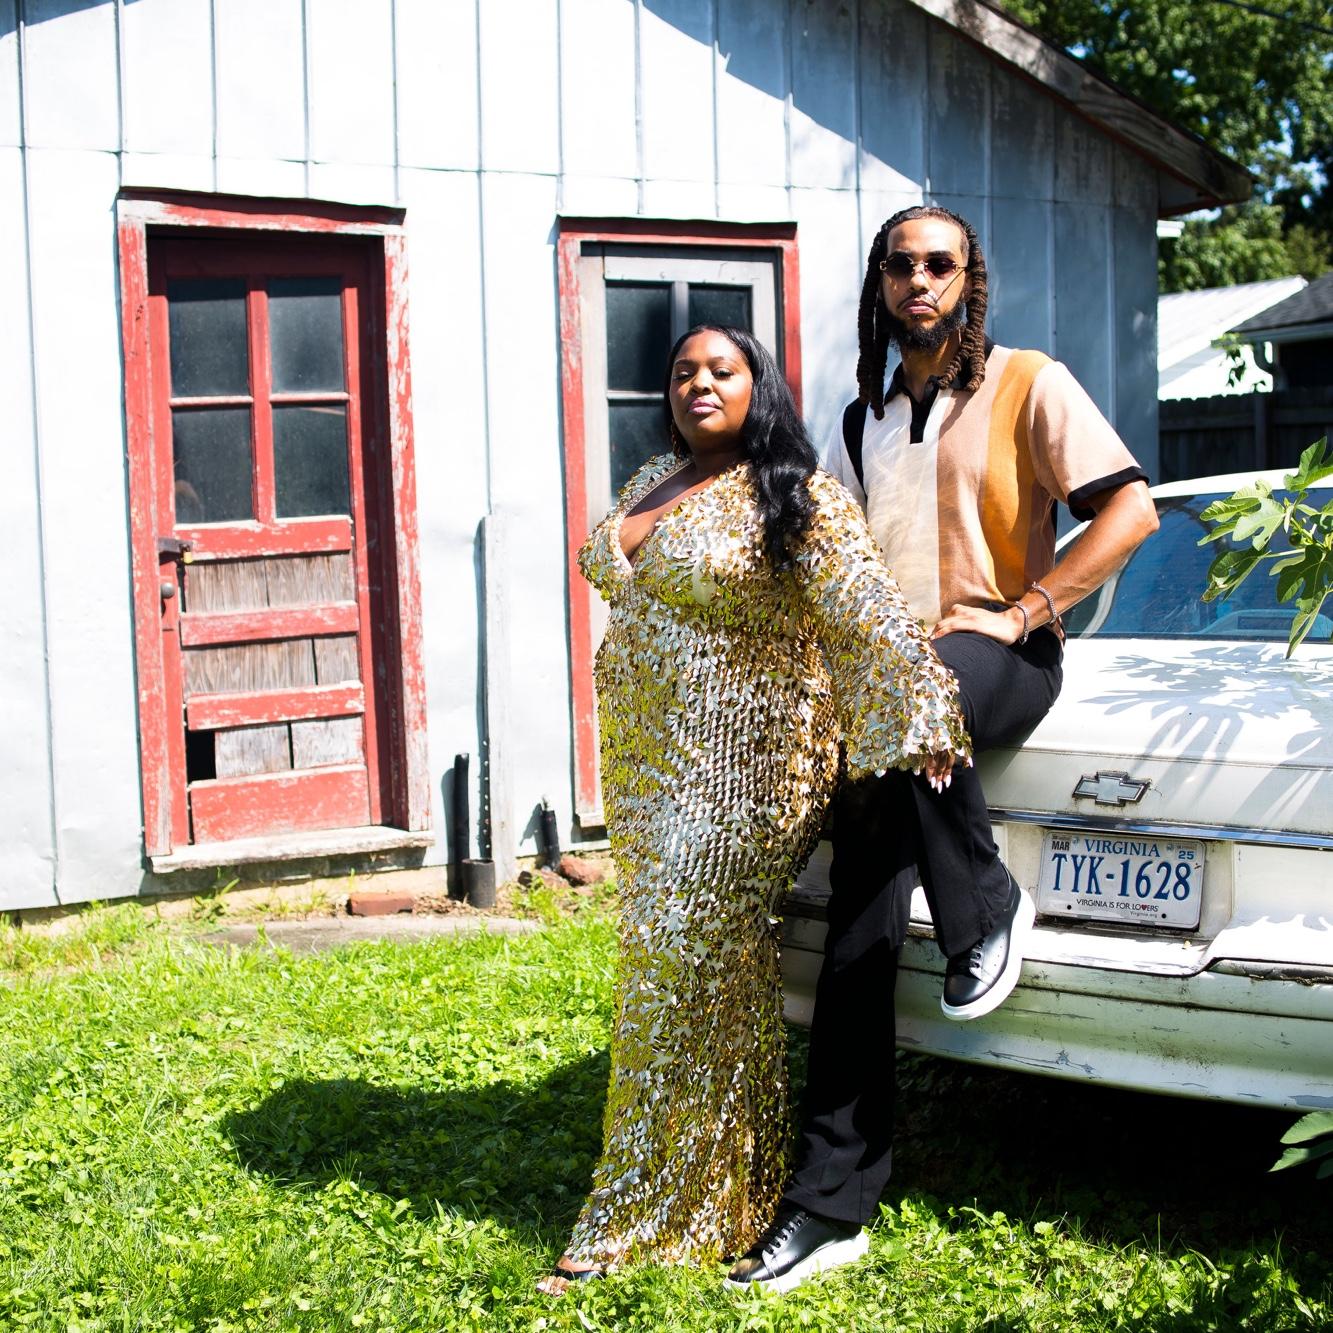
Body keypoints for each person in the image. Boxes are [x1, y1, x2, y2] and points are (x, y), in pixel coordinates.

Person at [729, 206, 1160, 1293]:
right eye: (900, 265)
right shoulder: (858, 418)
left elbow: (1129, 512)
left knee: (923, 686)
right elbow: (825, 563)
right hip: (889, 695)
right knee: (856, 935)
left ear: (969, 280)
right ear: (879, 284)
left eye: (939, 264)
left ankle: (983, 908)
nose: (918, 280)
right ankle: (828, 1204)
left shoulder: (1027, 382)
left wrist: (1028, 609)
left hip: (999, 657)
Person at [537, 324, 970, 1293]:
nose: (698, 383)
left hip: (751, 769)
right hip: (658, 770)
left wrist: (922, 711)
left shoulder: (791, 490)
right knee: (699, 973)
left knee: (677, 961)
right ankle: (723, 1190)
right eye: (682, 371)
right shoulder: (653, 479)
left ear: (757, 387)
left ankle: (635, 1210)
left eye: (721, 370)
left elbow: (863, 607)